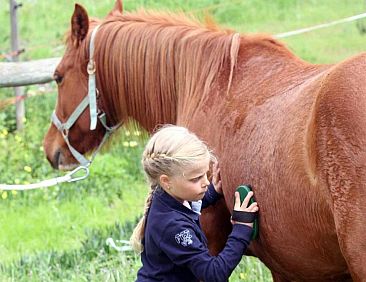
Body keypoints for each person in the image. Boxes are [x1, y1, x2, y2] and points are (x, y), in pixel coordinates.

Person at [131, 125, 259, 282]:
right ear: (166, 181)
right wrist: (241, 229)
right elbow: (214, 274)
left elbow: (190, 206)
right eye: (195, 179)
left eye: (205, 174)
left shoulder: (168, 197)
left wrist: (212, 192)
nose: (205, 182)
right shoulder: (172, 227)